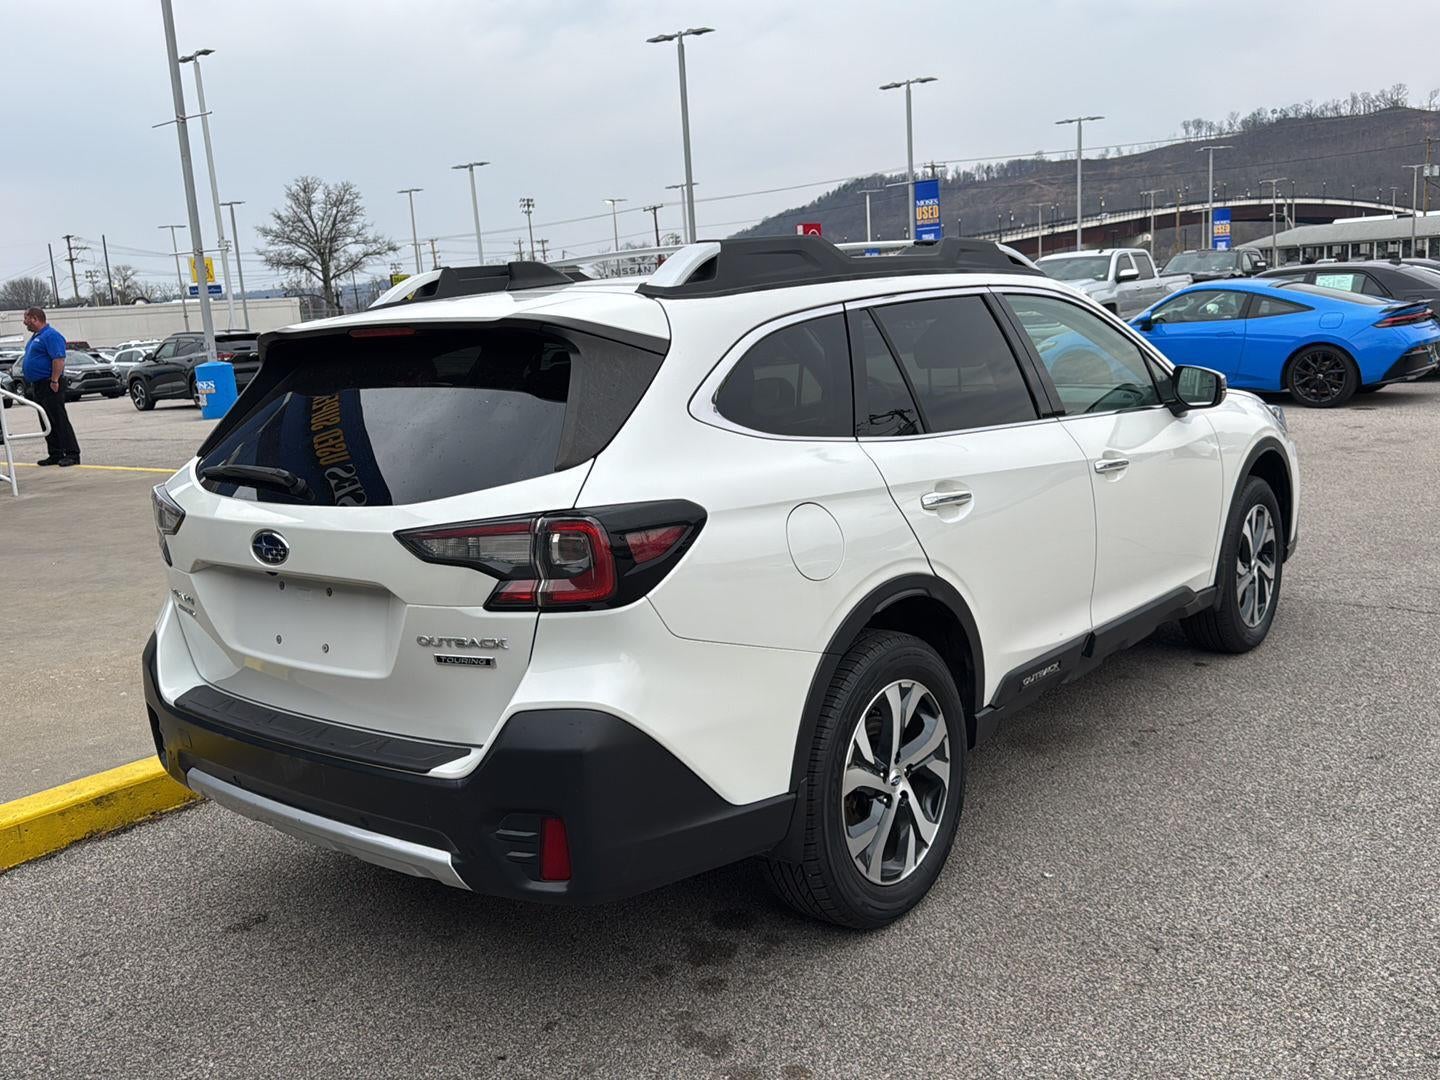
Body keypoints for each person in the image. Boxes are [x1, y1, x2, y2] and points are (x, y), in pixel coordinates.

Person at [20, 306, 80, 466]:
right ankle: (55, 453)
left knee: (58, 418)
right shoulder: (36, 337)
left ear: (34, 318)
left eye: (26, 318)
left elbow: (58, 359)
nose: (24, 322)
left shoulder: (51, 335)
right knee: (46, 420)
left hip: (50, 384)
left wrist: (54, 380)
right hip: (38, 385)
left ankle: (72, 453)